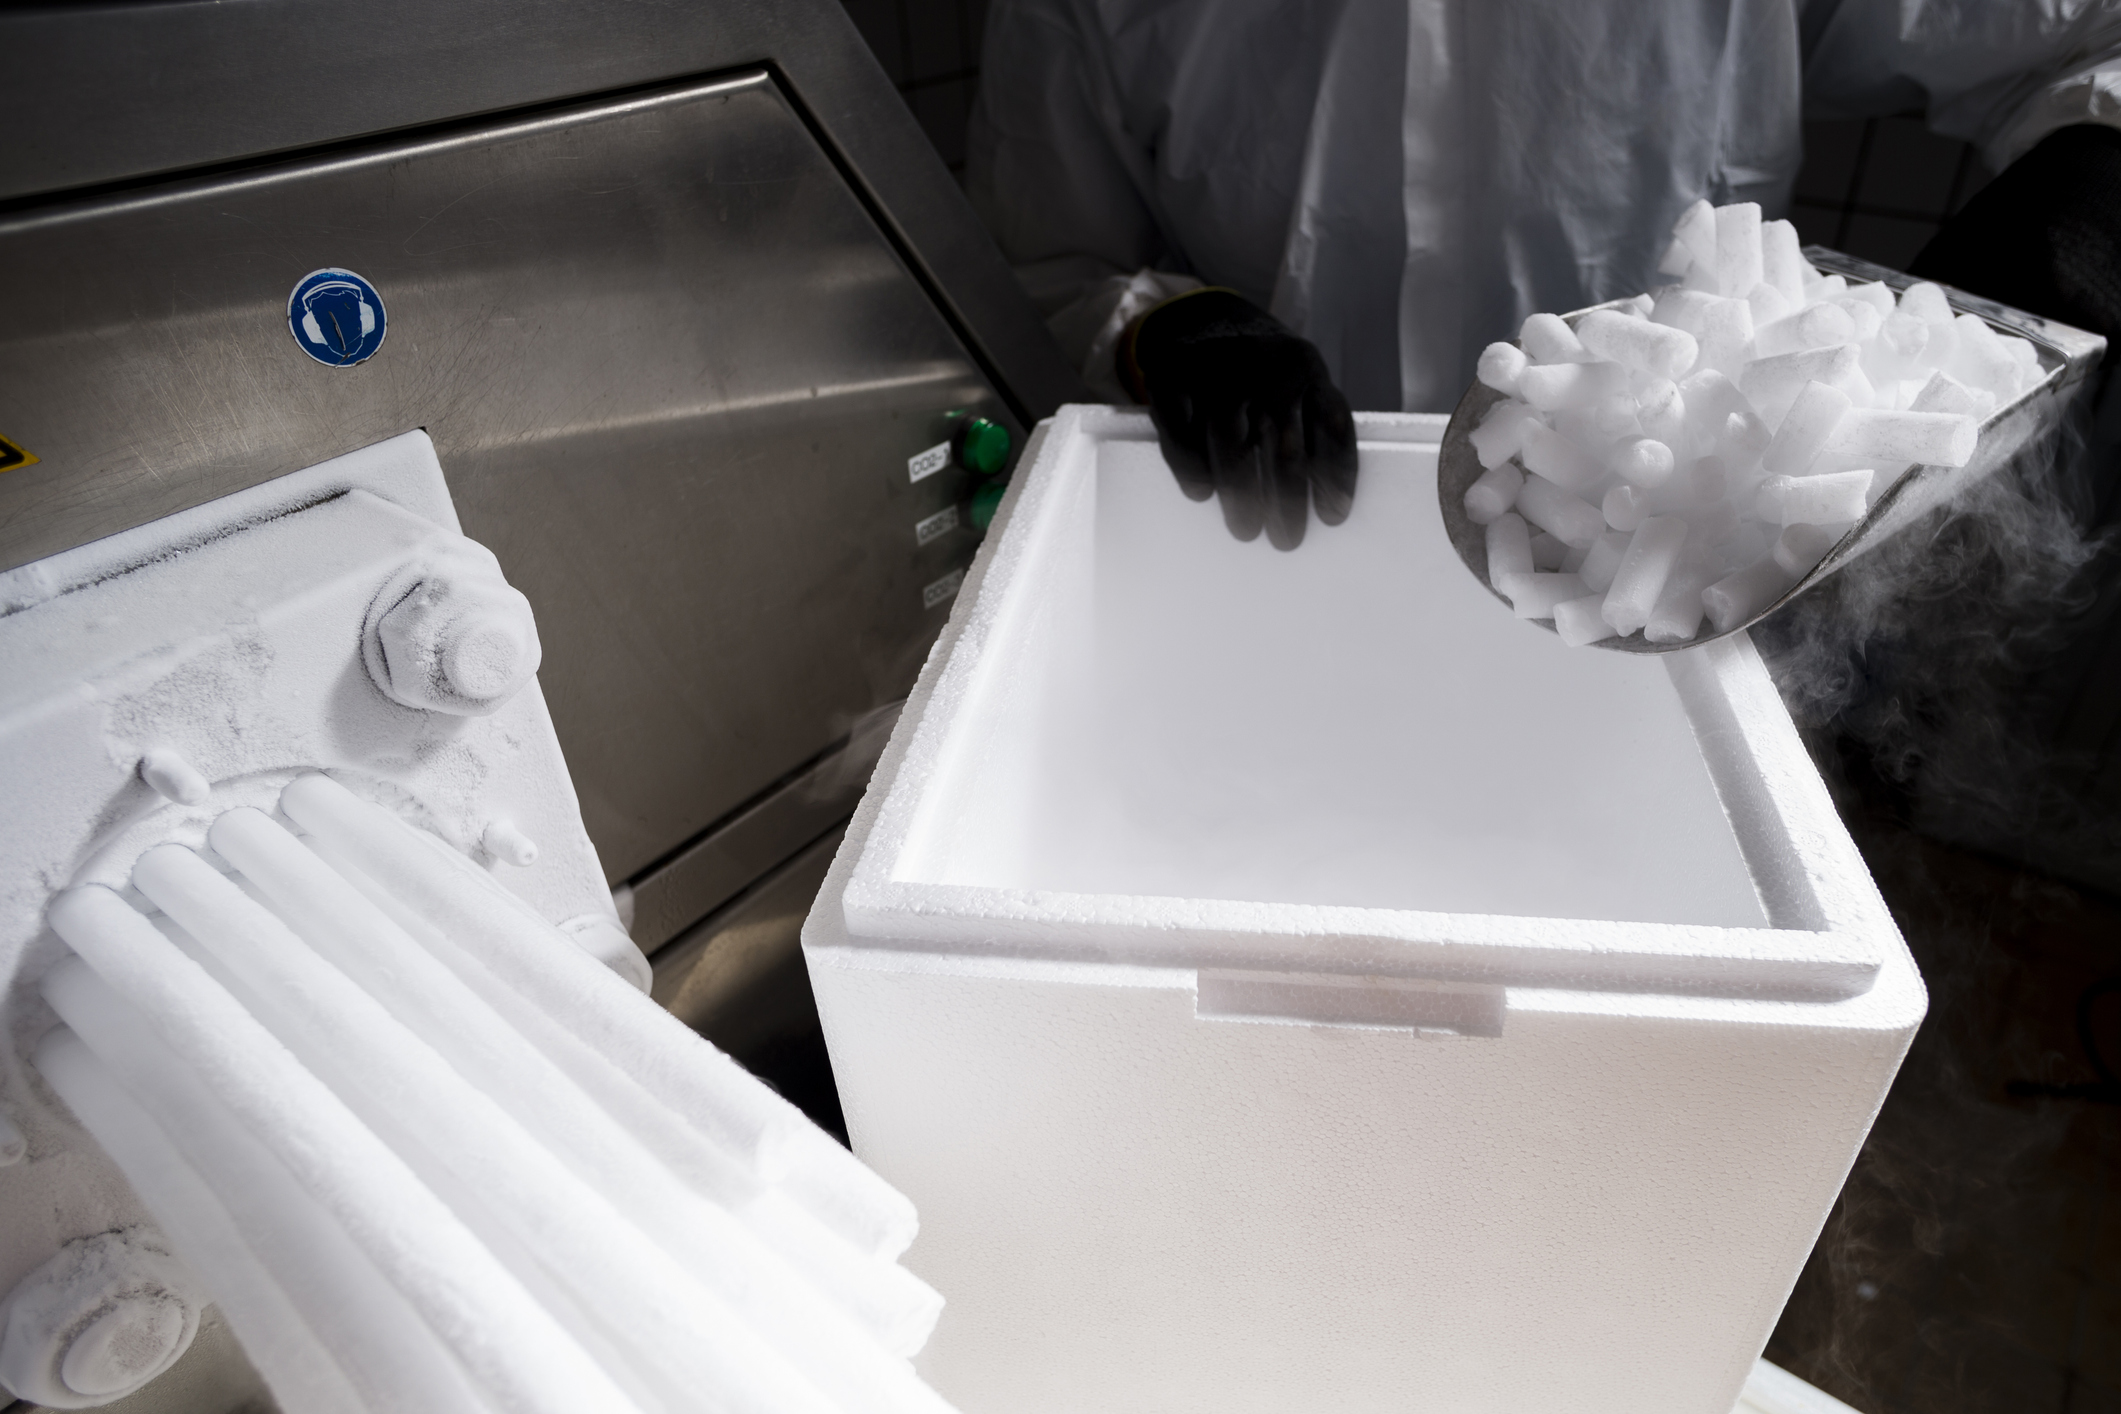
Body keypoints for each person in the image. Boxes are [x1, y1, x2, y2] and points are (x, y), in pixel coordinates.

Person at [966, 0, 2121, 547]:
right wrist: (1171, 329)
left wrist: (2069, 231)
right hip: (1268, 546)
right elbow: (1047, 265)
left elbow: (2083, 43)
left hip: (1653, 571)